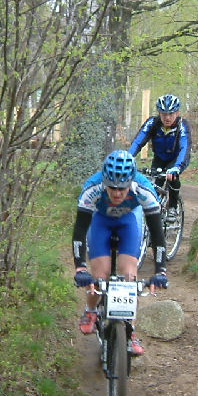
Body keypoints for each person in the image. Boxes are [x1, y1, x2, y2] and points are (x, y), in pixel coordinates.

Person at [72, 150, 169, 355]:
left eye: (122, 189)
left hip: (128, 221)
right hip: (100, 220)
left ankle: (130, 332)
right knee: (100, 274)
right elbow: (79, 231)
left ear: (131, 182)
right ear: (104, 181)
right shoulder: (92, 188)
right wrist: (80, 266)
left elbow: (157, 234)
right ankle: (90, 311)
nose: (117, 194)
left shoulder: (144, 189)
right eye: (112, 188)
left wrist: (161, 270)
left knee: (129, 275)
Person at [128, 94, 192, 222]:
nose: (167, 118)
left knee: (172, 177)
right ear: (159, 113)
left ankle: (172, 207)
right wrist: (127, 158)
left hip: (176, 159)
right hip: (160, 158)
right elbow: (138, 141)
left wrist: (177, 167)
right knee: (153, 187)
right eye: (163, 114)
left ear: (177, 112)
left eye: (171, 114)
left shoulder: (182, 125)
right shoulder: (152, 123)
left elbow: (184, 148)